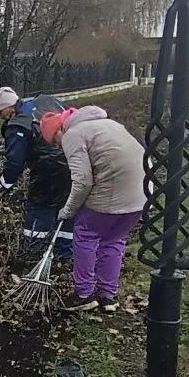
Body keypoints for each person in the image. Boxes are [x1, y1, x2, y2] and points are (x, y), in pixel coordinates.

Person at [40, 107, 144, 312]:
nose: (58, 145)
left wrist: (68, 210)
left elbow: (82, 182)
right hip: (141, 193)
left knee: (85, 233)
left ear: (59, 129)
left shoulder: (73, 135)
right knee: (114, 239)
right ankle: (108, 296)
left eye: (54, 140)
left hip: (115, 190)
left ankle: (84, 294)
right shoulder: (109, 124)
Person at [0, 87, 73, 268]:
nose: (0, 116)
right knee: (68, 208)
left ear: (10, 107)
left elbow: (14, 161)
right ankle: (65, 255)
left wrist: (5, 184)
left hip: (46, 172)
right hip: (72, 163)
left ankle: (33, 254)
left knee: (40, 209)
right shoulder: (47, 101)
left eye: (0, 111)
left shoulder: (18, 125)